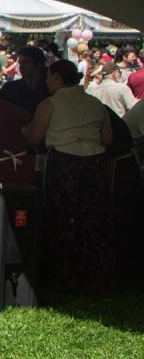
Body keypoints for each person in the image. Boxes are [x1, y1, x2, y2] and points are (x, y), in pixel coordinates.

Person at [24, 60, 115, 294]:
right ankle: (94, 275)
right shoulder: (96, 104)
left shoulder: (50, 104)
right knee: (93, 219)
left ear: (56, 77)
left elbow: (33, 138)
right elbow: (107, 140)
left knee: (61, 217)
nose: (46, 81)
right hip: (94, 164)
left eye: (49, 76)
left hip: (64, 163)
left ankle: (63, 274)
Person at [0, 46, 50, 123]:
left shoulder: (49, 88)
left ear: (39, 64)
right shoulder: (9, 89)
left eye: (26, 62)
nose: (21, 67)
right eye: (20, 63)